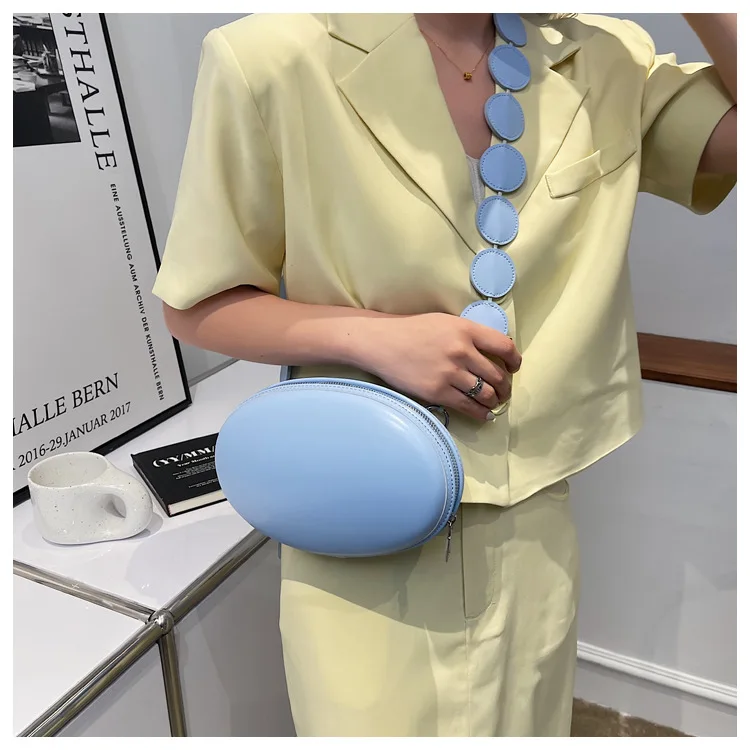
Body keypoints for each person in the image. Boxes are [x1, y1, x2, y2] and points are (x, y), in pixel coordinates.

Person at [152, 13, 736, 737]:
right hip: (362, 511)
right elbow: (198, 303)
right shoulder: (270, 57)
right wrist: (377, 339)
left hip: (532, 524)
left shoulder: (604, 56)